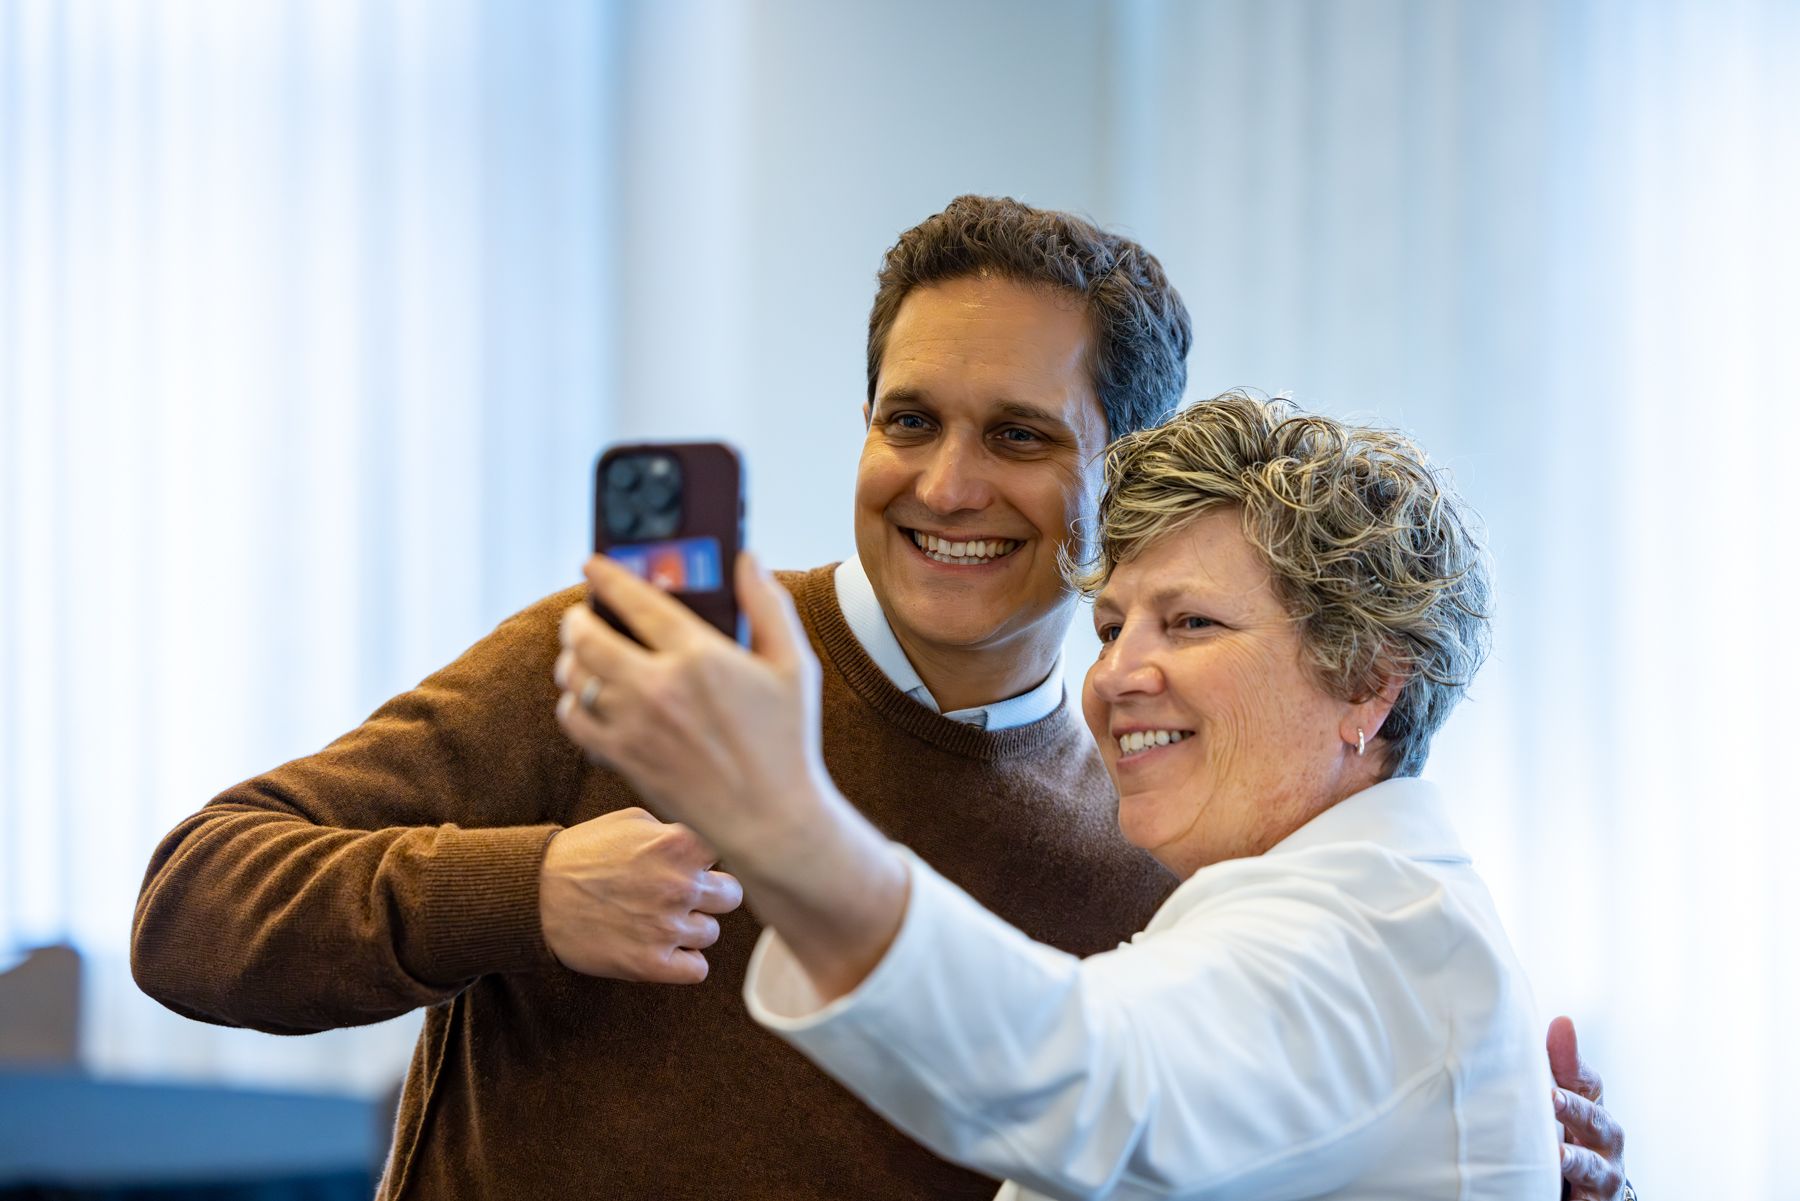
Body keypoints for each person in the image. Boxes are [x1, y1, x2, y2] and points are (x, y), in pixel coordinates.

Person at [132, 197, 1628, 1199]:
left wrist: (1432, 1133)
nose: (949, 483)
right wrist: (519, 893)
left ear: (1128, 479)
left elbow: (1133, 1094)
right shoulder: (645, 669)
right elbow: (192, 905)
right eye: (907, 419)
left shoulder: (1173, 813)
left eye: (1022, 434)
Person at [554, 392, 1558, 1198]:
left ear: (1369, 683)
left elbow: (1098, 1081)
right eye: (1113, 627)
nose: (1118, 675)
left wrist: (781, 820)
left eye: (1193, 623)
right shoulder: (1325, 917)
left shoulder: (1370, 940)